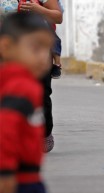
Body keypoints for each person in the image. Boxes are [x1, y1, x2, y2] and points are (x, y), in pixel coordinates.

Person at [0, 12, 55, 193]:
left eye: (46, 49)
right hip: (21, 181)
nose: (43, 57)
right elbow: (5, 129)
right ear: (6, 47)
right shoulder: (22, 86)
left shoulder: (9, 81)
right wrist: (5, 171)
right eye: (35, 48)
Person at [18, 0, 63, 152]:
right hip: (9, 50)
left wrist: (38, 9)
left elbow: (58, 17)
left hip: (39, 52)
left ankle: (45, 134)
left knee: (41, 94)